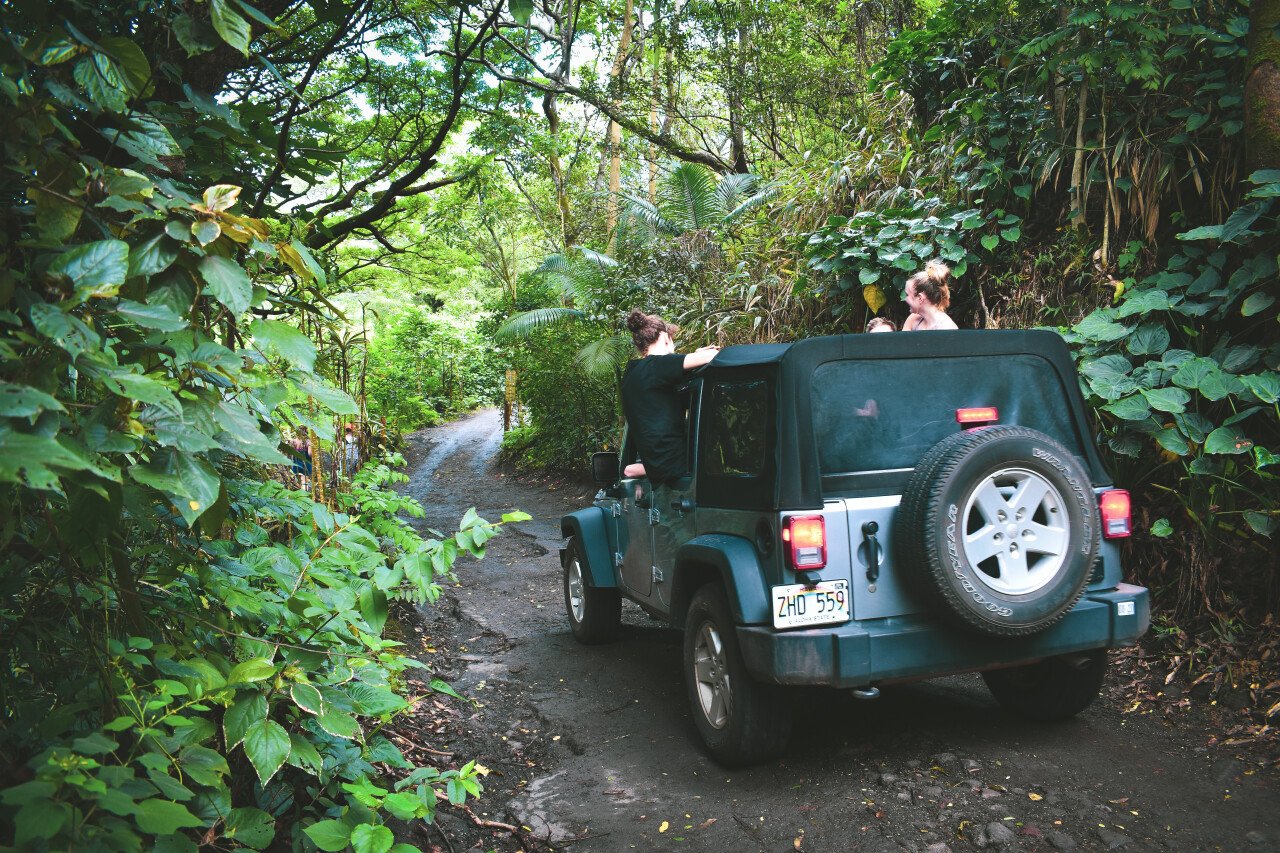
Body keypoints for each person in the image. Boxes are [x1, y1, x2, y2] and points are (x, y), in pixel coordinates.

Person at [619, 310, 719, 483]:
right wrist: (699, 355)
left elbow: (665, 380)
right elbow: (713, 355)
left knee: (628, 469)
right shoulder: (657, 365)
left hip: (656, 466)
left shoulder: (631, 373)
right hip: (678, 465)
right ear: (665, 337)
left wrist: (693, 356)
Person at [902, 260, 958, 331]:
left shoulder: (947, 328)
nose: (905, 299)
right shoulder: (913, 319)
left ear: (920, 298)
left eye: (907, 295)